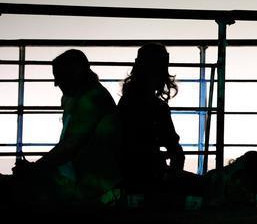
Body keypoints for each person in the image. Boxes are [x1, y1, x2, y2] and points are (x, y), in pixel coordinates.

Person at [8, 49, 121, 205]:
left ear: (75, 74)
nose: (56, 83)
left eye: (60, 77)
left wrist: (35, 168)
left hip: (91, 185)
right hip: (90, 178)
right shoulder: (86, 96)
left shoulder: (91, 100)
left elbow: (69, 146)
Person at [118, 43, 199, 198]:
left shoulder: (126, 102)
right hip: (150, 178)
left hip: (132, 177)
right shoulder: (157, 107)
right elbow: (174, 148)